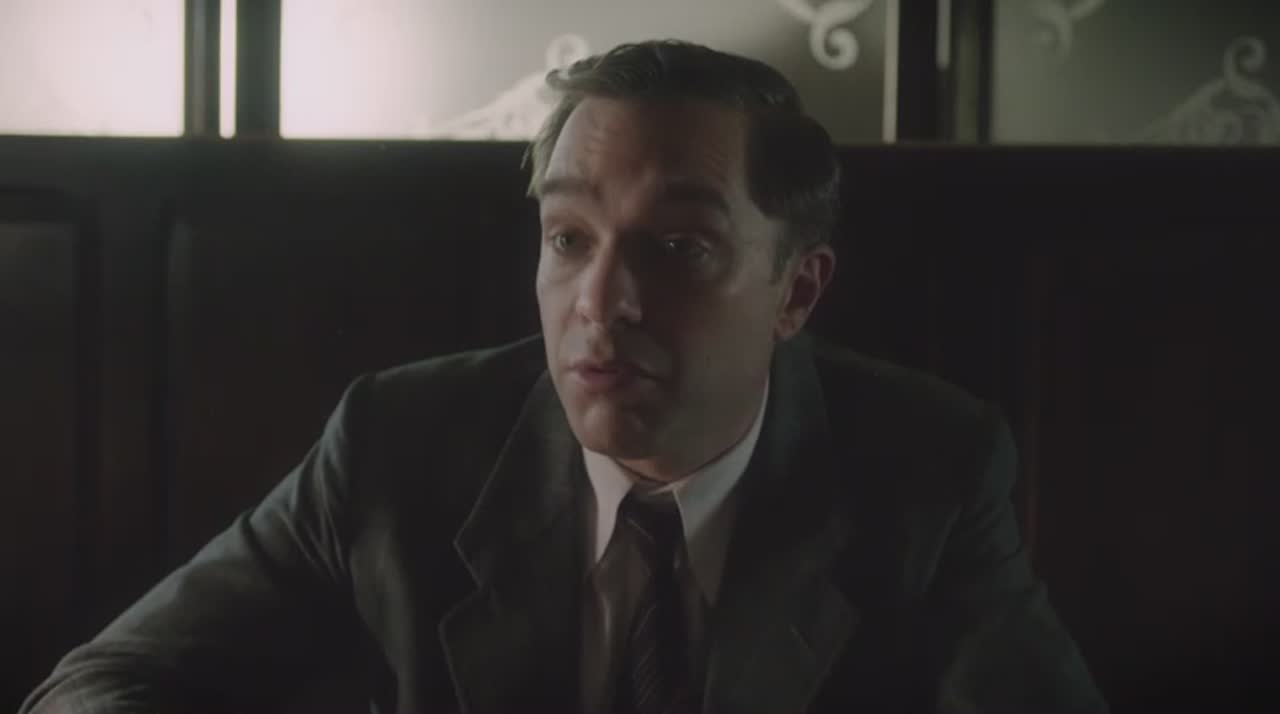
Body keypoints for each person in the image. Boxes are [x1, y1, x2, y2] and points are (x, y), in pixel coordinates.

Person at [22, 40, 1106, 714]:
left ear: (796, 292)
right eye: (569, 238)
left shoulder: (927, 471)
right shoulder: (398, 444)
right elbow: (98, 686)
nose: (601, 302)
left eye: (677, 248)